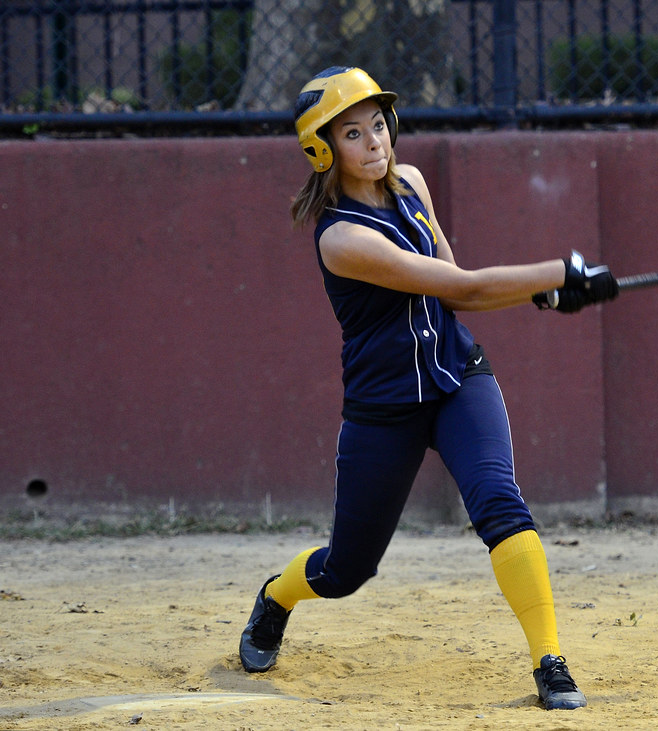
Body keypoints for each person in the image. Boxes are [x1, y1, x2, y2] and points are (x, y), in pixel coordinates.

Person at [237, 65, 618, 711]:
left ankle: (548, 660)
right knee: (345, 570)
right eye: (352, 134)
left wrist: (544, 293)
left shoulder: (409, 183)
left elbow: (454, 282)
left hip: (456, 377)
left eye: (378, 125)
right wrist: (560, 270)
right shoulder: (342, 237)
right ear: (323, 150)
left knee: (501, 504)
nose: (375, 142)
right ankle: (277, 595)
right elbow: (461, 287)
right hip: (384, 410)